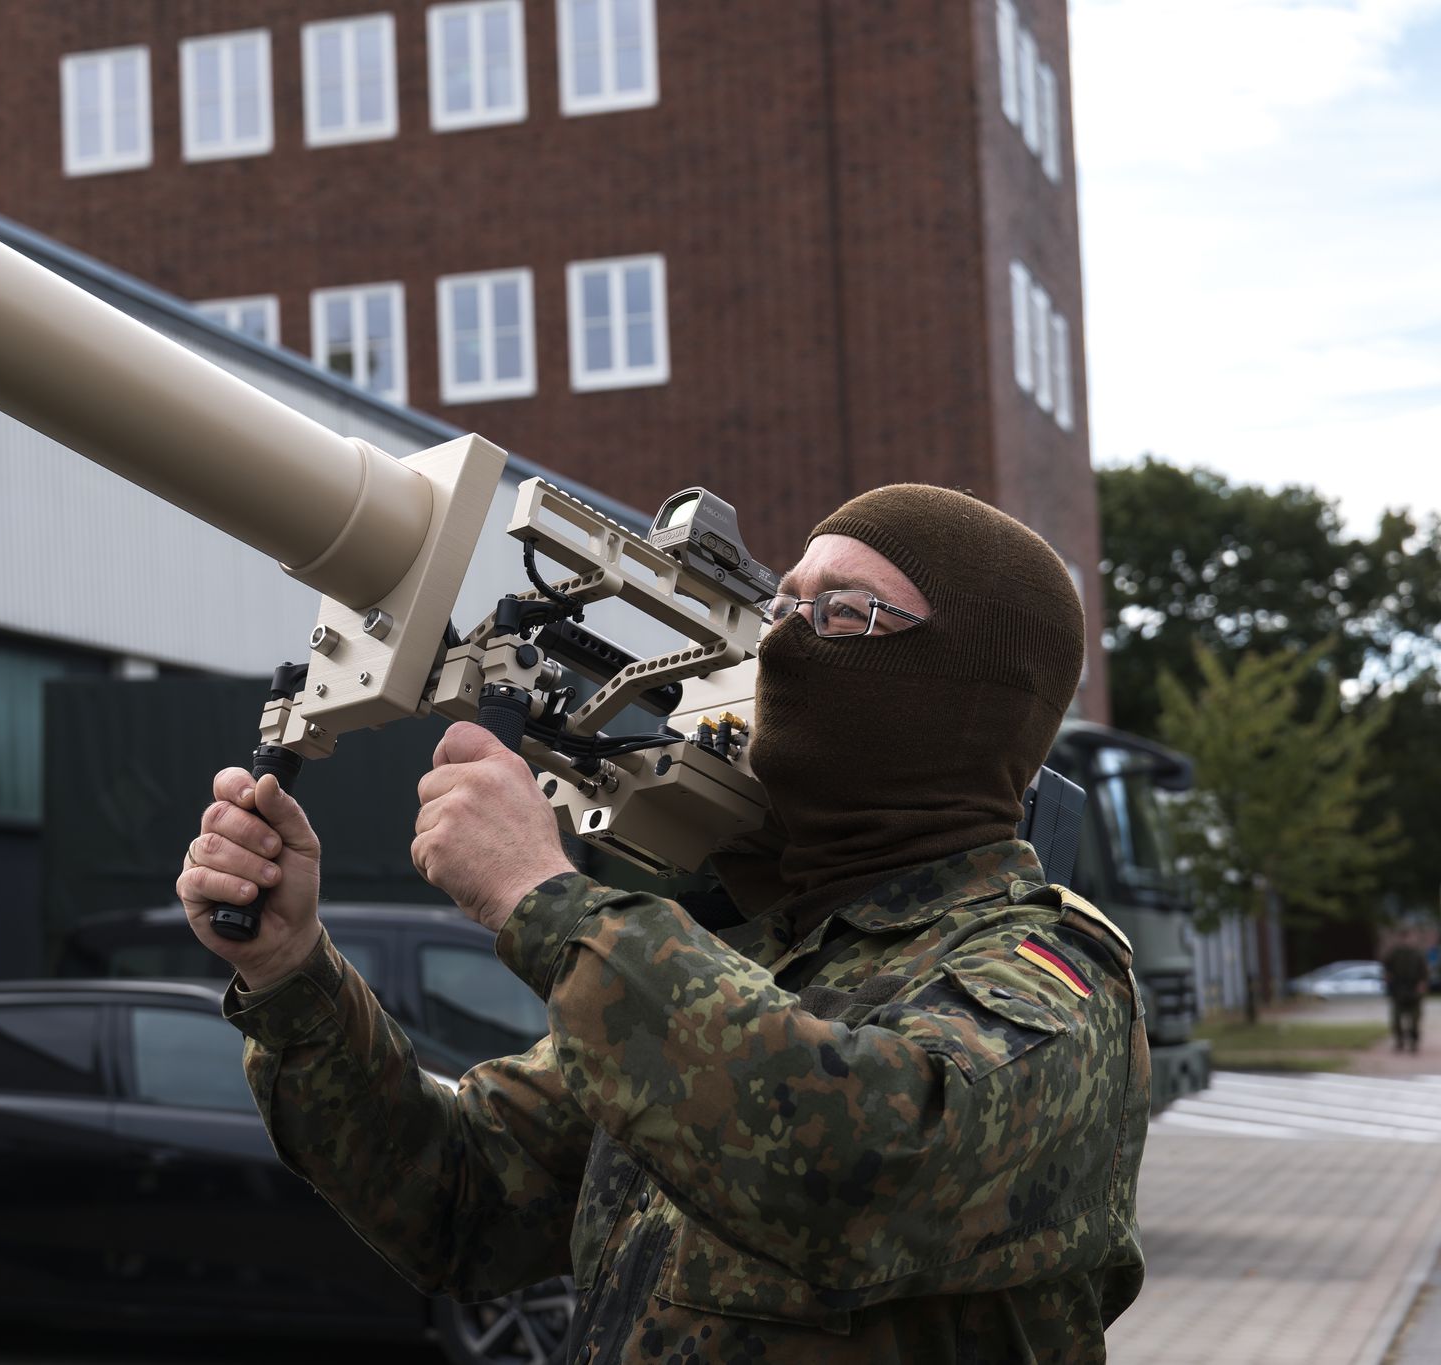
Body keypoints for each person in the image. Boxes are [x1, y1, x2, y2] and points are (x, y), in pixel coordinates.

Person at [178, 485, 1150, 1363]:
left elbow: (858, 1176)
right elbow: (460, 1196)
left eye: (842, 613)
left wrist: (543, 899)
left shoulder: (1050, 969)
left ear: (973, 696)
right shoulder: (748, 960)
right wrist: (290, 970)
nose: (782, 643)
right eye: (781, 606)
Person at [1383, 937, 1427, 1052]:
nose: (1407, 941)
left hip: (1413, 991)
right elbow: (1386, 969)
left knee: (1414, 1020)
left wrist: (1421, 985)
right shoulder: (1394, 954)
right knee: (1396, 1019)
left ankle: (1413, 1043)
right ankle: (1399, 1042)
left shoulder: (1418, 955)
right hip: (1398, 991)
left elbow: (1424, 972)